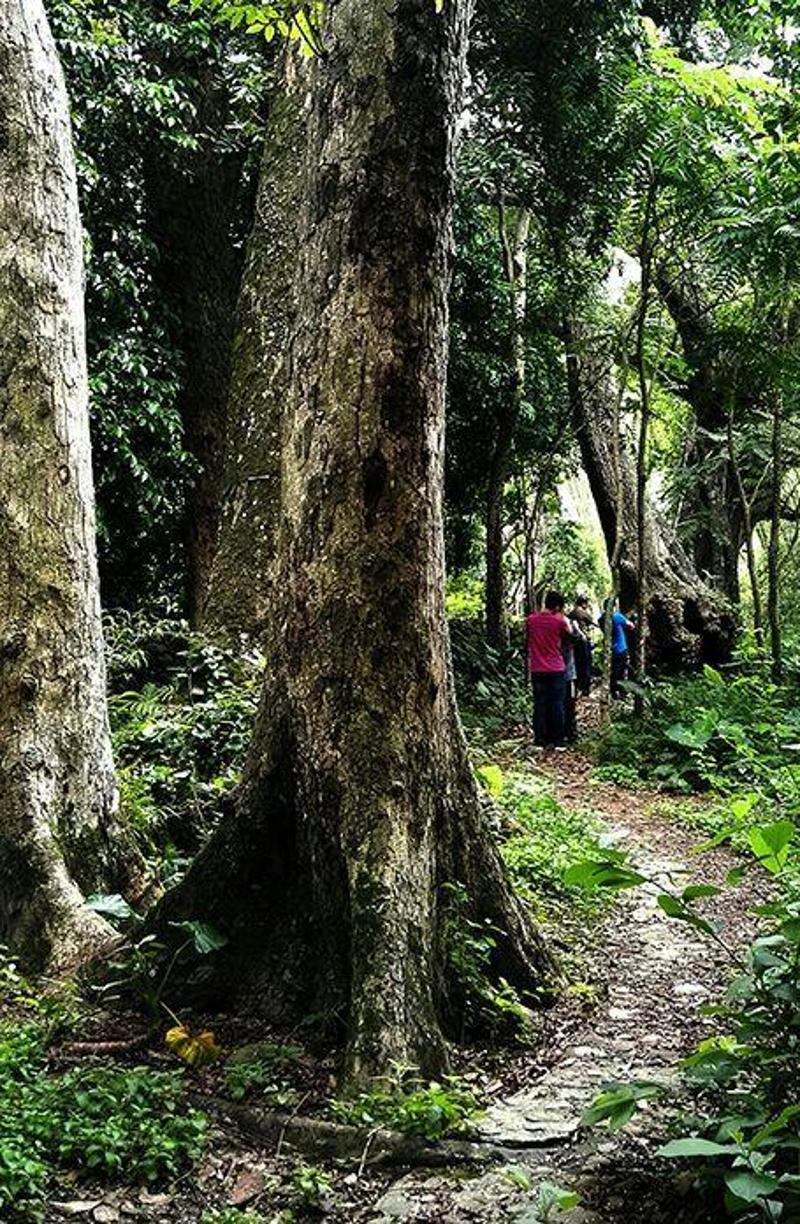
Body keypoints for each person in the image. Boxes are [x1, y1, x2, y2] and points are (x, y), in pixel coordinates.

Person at [526, 590, 572, 750]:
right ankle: (558, 740)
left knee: (540, 703)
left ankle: (540, 739)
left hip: (537, 668)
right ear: (558, 606)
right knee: (557, 704)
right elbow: (570, 637)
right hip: (556, 668)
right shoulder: (559, 622)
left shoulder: (531, 620)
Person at [569, 594, 594, 697]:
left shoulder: (571, 613)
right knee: (586, 663)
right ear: (583, 603)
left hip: (575, 642)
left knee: (578, 663)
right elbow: (591, 620)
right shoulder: (582, 612)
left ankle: (578, 686)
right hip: (583, 640)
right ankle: (586, 688)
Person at [609, 602, 635, 699]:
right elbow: (631, 626)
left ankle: (613, 692)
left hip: (612, 649)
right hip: (621, 648)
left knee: (614, 671)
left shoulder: (603, 619)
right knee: (622, 671)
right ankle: (621, 693)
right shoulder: (617, 616)